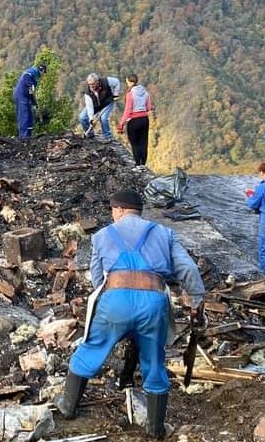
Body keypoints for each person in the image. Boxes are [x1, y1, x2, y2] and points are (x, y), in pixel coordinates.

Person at [56, 188, 205, 438]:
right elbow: (188, 269)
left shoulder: (102, 235)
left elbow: (97, 279)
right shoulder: (165, 233)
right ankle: (155, 429)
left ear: (119, 210)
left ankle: (68, 406)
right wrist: (196, 301)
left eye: (113, 210)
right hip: (153, 302)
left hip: (115, 301)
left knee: (92, 347)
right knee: (154, 360)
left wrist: (112, 303)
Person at [117, 74, 154, 165]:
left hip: (133, 121)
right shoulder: (145, 92)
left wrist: (121, 124)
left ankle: (138, 164)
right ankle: (143, 164)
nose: (127, 84)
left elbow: (127, 111)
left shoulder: (130, 94)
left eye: (127, 82)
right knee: (143, 143)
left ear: (130, 82)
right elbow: (149, 108)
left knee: (135, 144)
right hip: (144, 120)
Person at [80, 73, 120, 140]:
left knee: (103, 118)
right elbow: (89, 106)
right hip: (95, 105)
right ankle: (90, 134)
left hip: (107, 103)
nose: (91, 86)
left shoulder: (106, 81)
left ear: (97, 81)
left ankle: (107, 136)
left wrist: (116, 94)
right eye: (89, 84)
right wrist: (91, 119)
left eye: (93, 84)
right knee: (82, 117)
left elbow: (117, 82)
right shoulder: (87, 91)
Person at [13, 63, 46, 139]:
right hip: (21, 96)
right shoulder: (32, 72)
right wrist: (31, 85)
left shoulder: (35, 77)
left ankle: (29, 136)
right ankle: (23, 137)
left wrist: (35, 103)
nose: (43, 75)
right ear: (42, 70)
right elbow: (26, 78)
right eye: (43, 73)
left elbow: (31, 93)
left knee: (30, 117)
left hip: (27, 97)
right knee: (24, 116)